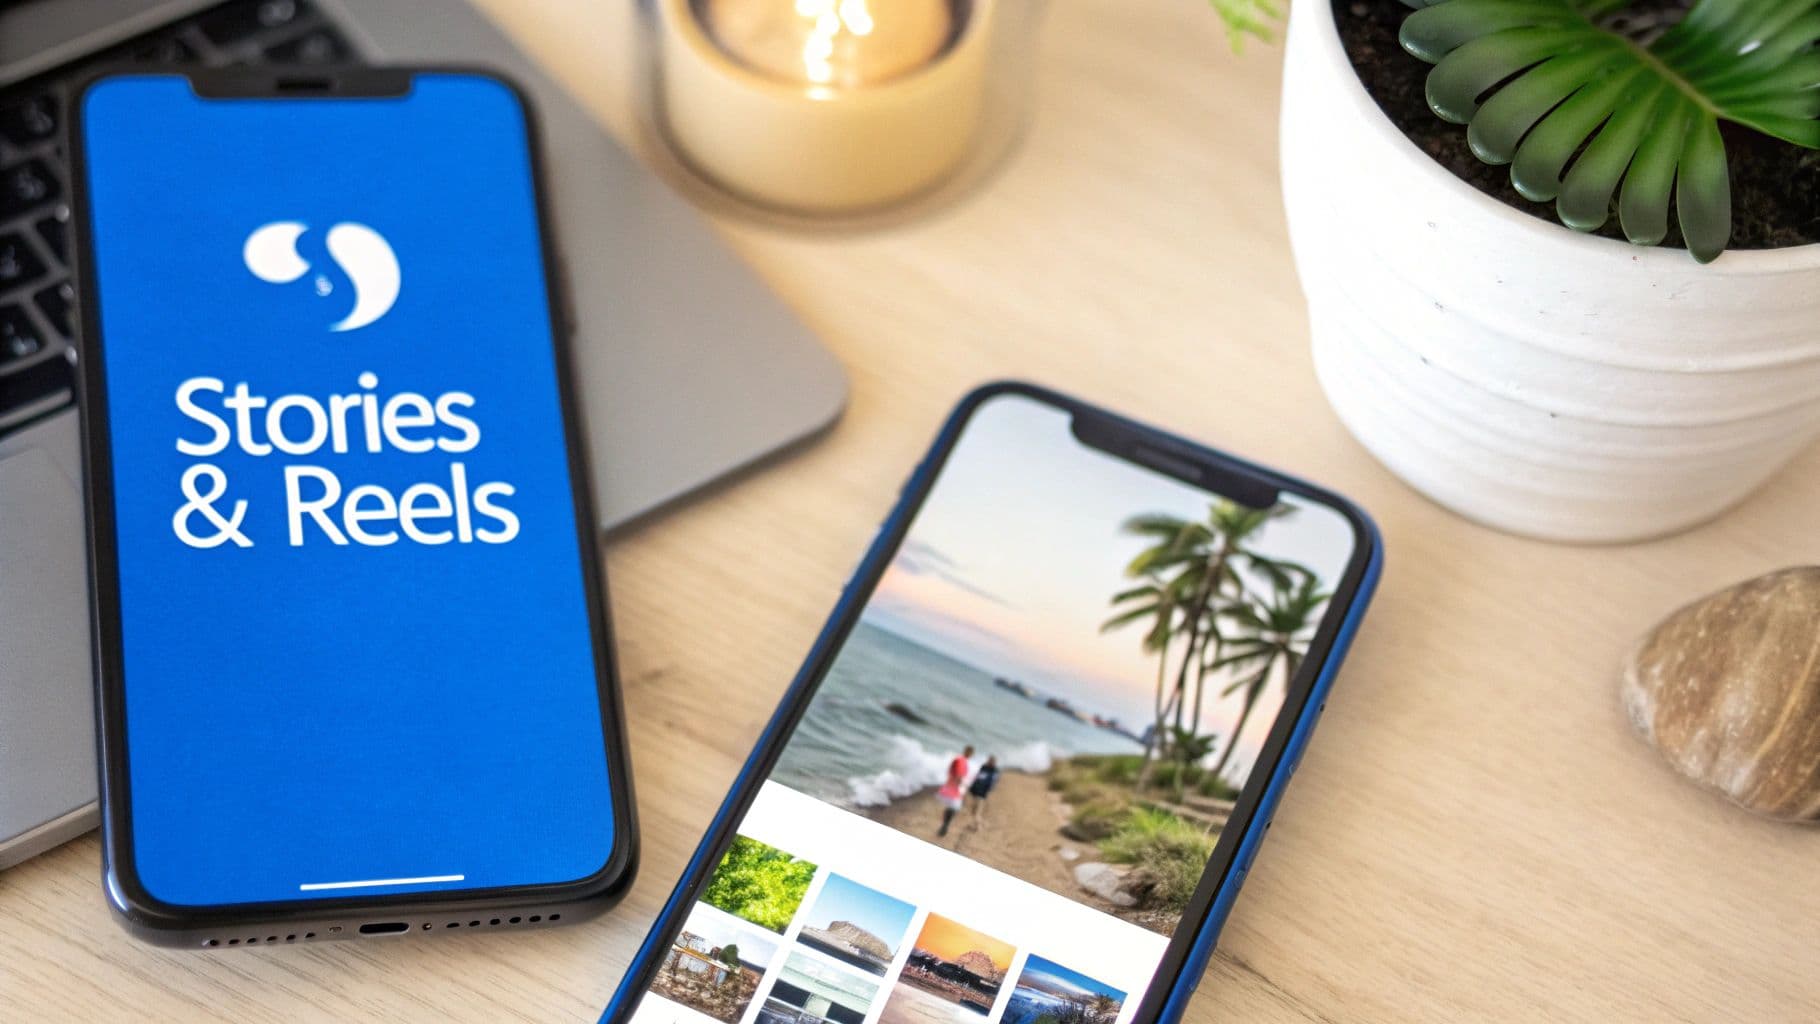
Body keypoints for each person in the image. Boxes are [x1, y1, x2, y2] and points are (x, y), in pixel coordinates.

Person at [936, 745, 973, 838]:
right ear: (968, 752)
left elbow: (952, 772)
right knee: (952, 809)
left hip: (952, 786)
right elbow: (958, 776)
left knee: (951, 808)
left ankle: (945, 825)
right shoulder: (961, 760)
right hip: (953, 788)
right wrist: (964, 786)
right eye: (970, 753)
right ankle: (945, 825)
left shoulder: (960, 760)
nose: (970, 755)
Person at [967, 755, 999, 820]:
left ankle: (977, 820)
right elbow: (977, 776)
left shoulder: (994, 770)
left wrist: (989, 788)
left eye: (992, 761)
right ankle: (974, 818)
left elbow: (993, 781)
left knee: (979, 805)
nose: (990, 762)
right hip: (977, 788)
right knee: (974, 805)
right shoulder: (984, 767)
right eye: (990, 760)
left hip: (983, 790)